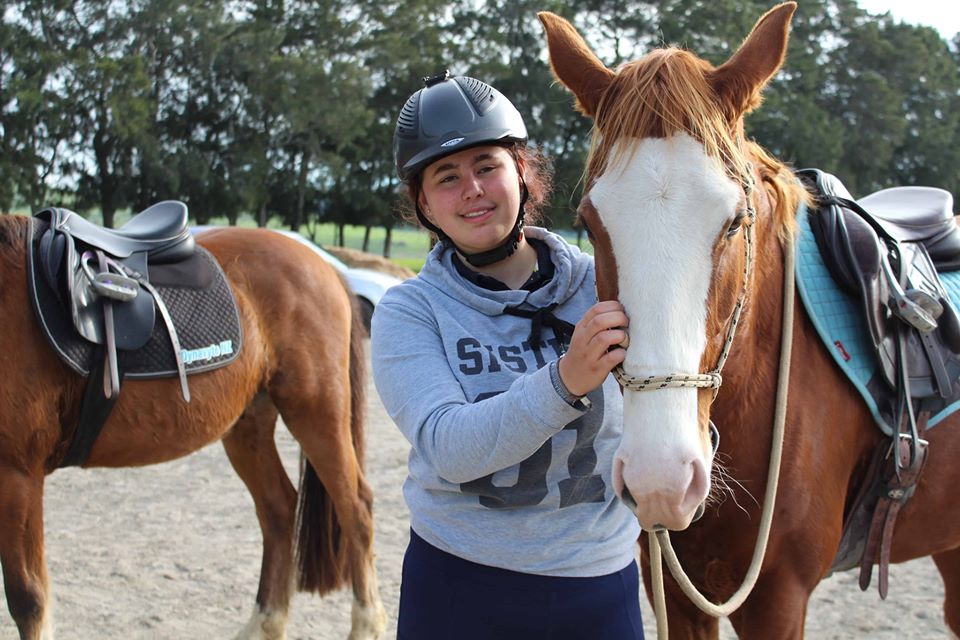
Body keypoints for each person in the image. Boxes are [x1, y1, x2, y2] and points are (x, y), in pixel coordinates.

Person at [371, 70, 643, 640]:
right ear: (422, 202)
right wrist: (566, 381)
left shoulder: (607, 286)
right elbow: (450, 448)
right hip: (458, 587)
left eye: (487, 167)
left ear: (521, 172)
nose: (471, 189)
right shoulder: (409, 311)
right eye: (447, 177)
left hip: (597, 585)